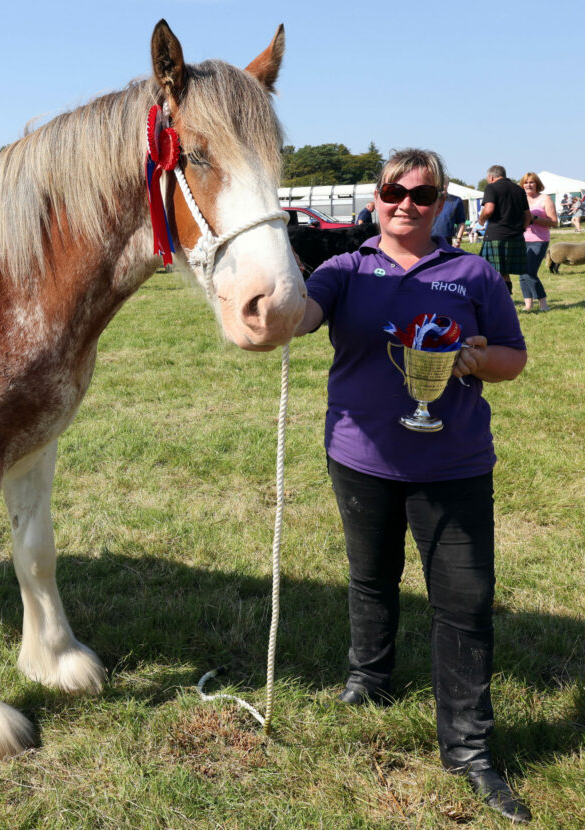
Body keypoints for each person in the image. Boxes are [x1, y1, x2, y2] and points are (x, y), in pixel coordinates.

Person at [294, 148, 531, 824]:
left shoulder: (473, 272)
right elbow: (303, 317)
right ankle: (369, 680)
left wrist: (479, 359)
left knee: (465, 601)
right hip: (359, 456)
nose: (405, 204)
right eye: (393, 191)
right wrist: (273, 308)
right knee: (370, 576)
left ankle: (469, 747)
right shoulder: (345, 268)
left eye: (422, 196)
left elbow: (513, 357)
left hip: (453, 463)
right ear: (376, 198)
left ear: (441, 206)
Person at [478, 165, 531, 294]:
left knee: (492, 271)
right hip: (516, 236)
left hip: (496, 235)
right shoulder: (519, 189)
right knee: (504, 273)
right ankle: (506, 300)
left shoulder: (491, 187)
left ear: (491, 176)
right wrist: (521, 230)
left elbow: (489, 209)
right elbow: (528, 216)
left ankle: (500, 301)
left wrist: (481, 219)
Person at [519, 173, 556, 312]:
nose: (528, 185)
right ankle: (528, 305)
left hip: (539, 241)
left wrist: (533, 218)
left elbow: (554, 222)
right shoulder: (520, 199)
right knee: (522, 273)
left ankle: (543, 304)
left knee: (529, 272)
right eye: (526, 182)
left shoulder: (545, 199)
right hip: (521, 240)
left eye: (531, 182)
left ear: (537, 184)